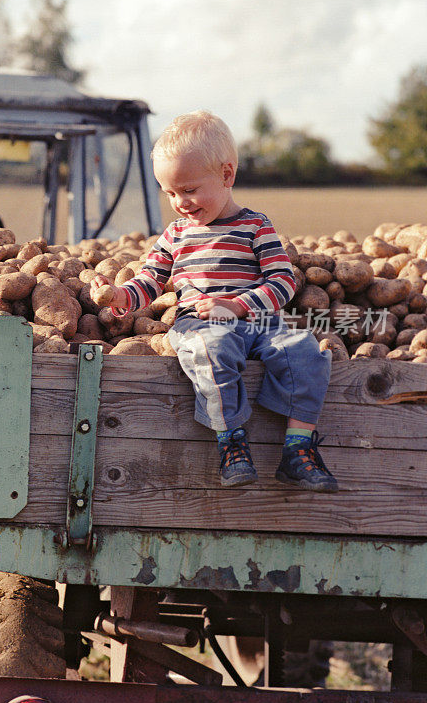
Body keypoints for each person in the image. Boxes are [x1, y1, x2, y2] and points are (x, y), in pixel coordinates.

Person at [90, 110, 338, 492]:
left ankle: (298, 448)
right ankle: (231, 441)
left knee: (304, 350)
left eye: (188, 190)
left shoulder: (256, 225)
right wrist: (121, 295)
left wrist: (240, 304)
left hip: (258, 321)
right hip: (201, 324)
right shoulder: (175, 234)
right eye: (170, 193)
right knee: (211, 349)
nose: (180, 202)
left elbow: (283, 280)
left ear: (226, 175)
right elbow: (151, 280)